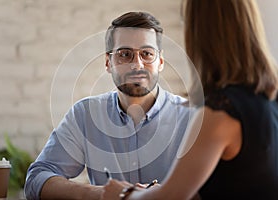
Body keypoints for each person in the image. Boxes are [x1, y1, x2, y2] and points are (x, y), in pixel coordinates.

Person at [101, 0, 278, 199]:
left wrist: (123, 194)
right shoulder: (268, 98)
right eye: (125, 54)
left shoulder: (220, 111)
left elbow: (172, 196)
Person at [24, 12, 191, 200]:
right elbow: (37, 178)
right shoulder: (85, 115)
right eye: (125, 54)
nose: (137, 65)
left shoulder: (191, 118)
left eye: (147, 54)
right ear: (108, 62)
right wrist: (101, 193)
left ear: (160, 61)